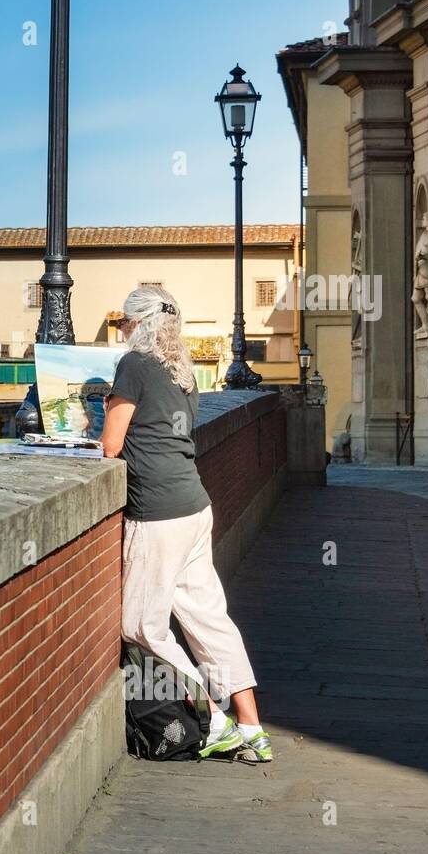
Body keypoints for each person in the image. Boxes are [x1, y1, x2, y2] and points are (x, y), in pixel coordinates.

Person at [100, 285, 272, 762]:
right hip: (195, 505)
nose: (121, 331)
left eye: (122, 323)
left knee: (141, 625)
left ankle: (214, 720)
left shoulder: (133, 365)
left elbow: (111, 446)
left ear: (137, 324)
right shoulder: (184, 372)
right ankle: (253, 727)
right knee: (208, 620)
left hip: (157, 512)